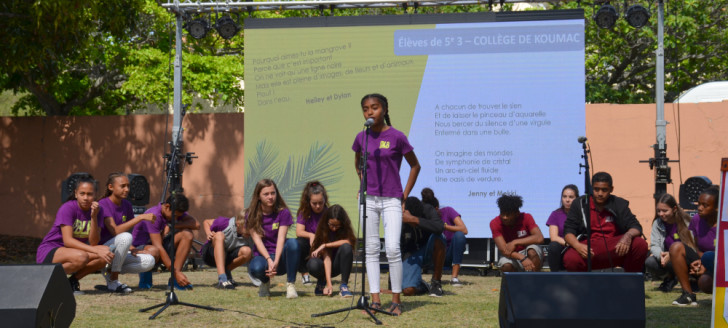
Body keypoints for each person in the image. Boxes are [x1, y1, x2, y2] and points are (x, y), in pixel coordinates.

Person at [352, 93, 421, 316]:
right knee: (371, 249)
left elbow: (415, 166)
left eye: (374, 107)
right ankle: (374, 299)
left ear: (385, 109)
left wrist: (405, 195)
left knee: (392, 248)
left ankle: (396, 299)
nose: (369, 112)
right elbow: (358, 163)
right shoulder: (361, 137)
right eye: (365, 109)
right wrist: (363, 184)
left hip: (392, 198)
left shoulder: (397, 137)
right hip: (368, 199)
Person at [36, 174, 113, 295]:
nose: (86, 198)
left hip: (73, 251)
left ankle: (71, 282)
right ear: (76, 193)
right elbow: (68, 241)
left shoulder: (99, 210)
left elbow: (93, 242)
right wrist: (96, 251)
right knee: (82, 256)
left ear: (95, 195)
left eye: (90, 194)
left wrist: (93, 217)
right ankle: (44, 277)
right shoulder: (67, 208)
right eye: (82, 194)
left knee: (105, 253)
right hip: (51, 250)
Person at [563, 172, 648, 272]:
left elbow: (636, 226)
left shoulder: (619, 203)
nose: (600, 193)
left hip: (615, 247)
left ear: (611, 189)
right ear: (591, 188)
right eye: (596, 189)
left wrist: (628, 236)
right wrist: (578, 246)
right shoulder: (580, 203)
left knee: (640, 244)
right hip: (588, 248)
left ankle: (629, 281)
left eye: (604, 190)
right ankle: (582, 284)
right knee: (570, 258)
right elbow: (568, 231)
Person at [98, 172, 157, 293]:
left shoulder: (127, 205)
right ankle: (114, 278)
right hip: (103, 252)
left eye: (128, 186)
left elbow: (125, 234)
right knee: (125, 236)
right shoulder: (103, 204)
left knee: (149, 261)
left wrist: (132, 248)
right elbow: (115, 231)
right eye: (123, 186)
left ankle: (111, 272)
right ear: (111, 187)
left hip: (117, 254)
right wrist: (140, 217)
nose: (127, 189)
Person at [246, 179, 301, 298]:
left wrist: (275, 260)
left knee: (293, 243)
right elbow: (257, 241)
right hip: (263, 256)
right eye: (266, 194)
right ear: (258, 196)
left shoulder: (283, 212)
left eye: (273, 193)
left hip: (280, 256)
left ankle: (290, 285)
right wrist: (269, 260)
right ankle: (265, 283)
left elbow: (281, 238)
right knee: (256, 268)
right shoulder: (251, 214)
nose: (270, 197)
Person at [131, 193, 199, 289]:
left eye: (177, 217)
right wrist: (176, 273)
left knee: (187, 234)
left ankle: (174, 281)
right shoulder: (154, 215)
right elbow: (158, 246)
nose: (175, 219)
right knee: (154, 250)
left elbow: (196, 225)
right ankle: (145, 281)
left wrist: (172, 225)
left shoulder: (173, 211)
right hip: (139, 250)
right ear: (167, 206)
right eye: (174, 216)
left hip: (159, 246)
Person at [668, 186, 718, 306]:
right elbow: (698, 247)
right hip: (704, 258)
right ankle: (688, 294)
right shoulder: (696, 219)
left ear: (717, 208)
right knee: (676, 247)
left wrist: (706, 264)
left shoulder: (724, 223)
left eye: (705, 205)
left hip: (721, 263)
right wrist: (701, 261)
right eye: (699, 204)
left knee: (705, 283)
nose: (699, 208)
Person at [644, 193, 694, 292]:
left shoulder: (686, 221)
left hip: (686, 258)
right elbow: (654, 245)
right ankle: (670, 277)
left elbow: (692, 246)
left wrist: (673, 255)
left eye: (665, 211)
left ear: (674, 209)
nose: (661, 214)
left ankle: (690, 279)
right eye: (658, 211)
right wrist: (661, 255)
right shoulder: (657, 223)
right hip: (666, 259)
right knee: (650, 262)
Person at [420, 187, 467, 286]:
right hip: (430, 255)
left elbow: (464, 229)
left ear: (437, 209)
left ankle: (454, 278)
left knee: (459, 235)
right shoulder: (423, 216)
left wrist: (444, 226)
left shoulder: (448, 211)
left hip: (447, 254)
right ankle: (418, 277)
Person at [307, 205, 356, 297]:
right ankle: (322, 281)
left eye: (337, 225)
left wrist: (325, 245)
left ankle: (344, 286)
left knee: (346, 247)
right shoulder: (322, 229)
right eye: (331, 225)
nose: (334, 228)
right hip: (324, 265)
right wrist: (329, 285)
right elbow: (327, 257)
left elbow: (349, 241)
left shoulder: (345, 229)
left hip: (338, 265)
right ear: (326, 222)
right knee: (312, 263)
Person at [400, 196, 446, 297]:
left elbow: (440, 227)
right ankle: (424, 285)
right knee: (408, 291)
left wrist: (415, 220)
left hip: (428, 249)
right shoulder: (400, 217)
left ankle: (436, 283)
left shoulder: (428, 209)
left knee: (439, 237)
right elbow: (397, 249)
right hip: (411, 254)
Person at [491, 194, 545, 272]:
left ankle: (534, 281)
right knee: (506, 266)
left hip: (526, 250)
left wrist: (515, 242)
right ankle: (514, 283)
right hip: (511, 254)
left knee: (532, 252)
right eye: (502, 213)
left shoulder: (527, 217)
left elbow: (539, 238)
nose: (504, 217)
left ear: (517, 213)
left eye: (508, 214)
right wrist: (522, 258)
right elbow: (504, 250)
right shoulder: (494, 223)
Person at [201, 215, 253, 289]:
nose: (250, 230)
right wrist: (208, 233)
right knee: (219, 235)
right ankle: (222, 278)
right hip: (210, 255)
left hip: (227, 256)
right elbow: (206, 222)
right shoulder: (224, 223)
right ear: (238, 223)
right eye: (247, 227)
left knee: (247, 251)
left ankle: (226, 271)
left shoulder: (251, 234)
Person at [296, 181, 329, 287]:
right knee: (298, 243)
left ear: (325, 200)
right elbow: (299, 231)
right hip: (308, 245)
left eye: (321, 203)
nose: (318, 206)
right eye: (314, 203)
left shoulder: (328, 212)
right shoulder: (304, 212)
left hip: (323, 245)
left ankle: (323, 274)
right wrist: (311, 235)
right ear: (308, 201)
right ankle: (304, 274)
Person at [545, 184, 579, 272]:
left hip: (579, 246)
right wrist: (571, 244)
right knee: (553, 246)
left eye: (571, 197)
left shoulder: (582, 214)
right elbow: (554, 237)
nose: (567, 200)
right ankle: (555, 276)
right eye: (564, 197)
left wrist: (577, 245)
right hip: (564, 246)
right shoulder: (555, 214)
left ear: (577, 198)